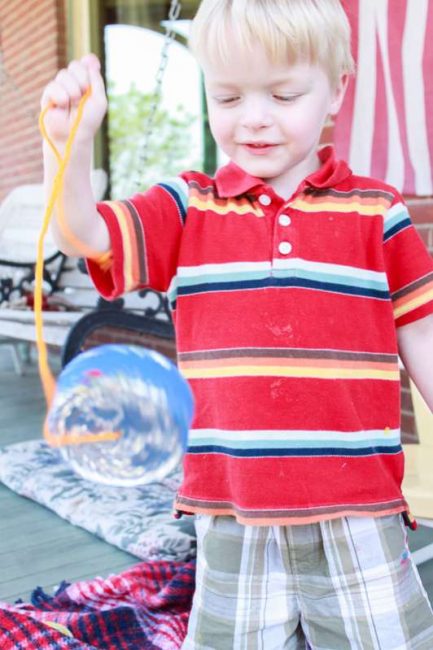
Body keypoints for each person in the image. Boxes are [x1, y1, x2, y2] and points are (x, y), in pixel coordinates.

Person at [41, 0, 433, 647]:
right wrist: (70, 146)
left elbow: (419, 332)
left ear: (334, 90)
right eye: (226, 97)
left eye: (283, 94)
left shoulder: (377, 212)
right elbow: (82, 233)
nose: (253, 118)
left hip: (356, 500)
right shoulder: (187, 205)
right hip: (232, 505)